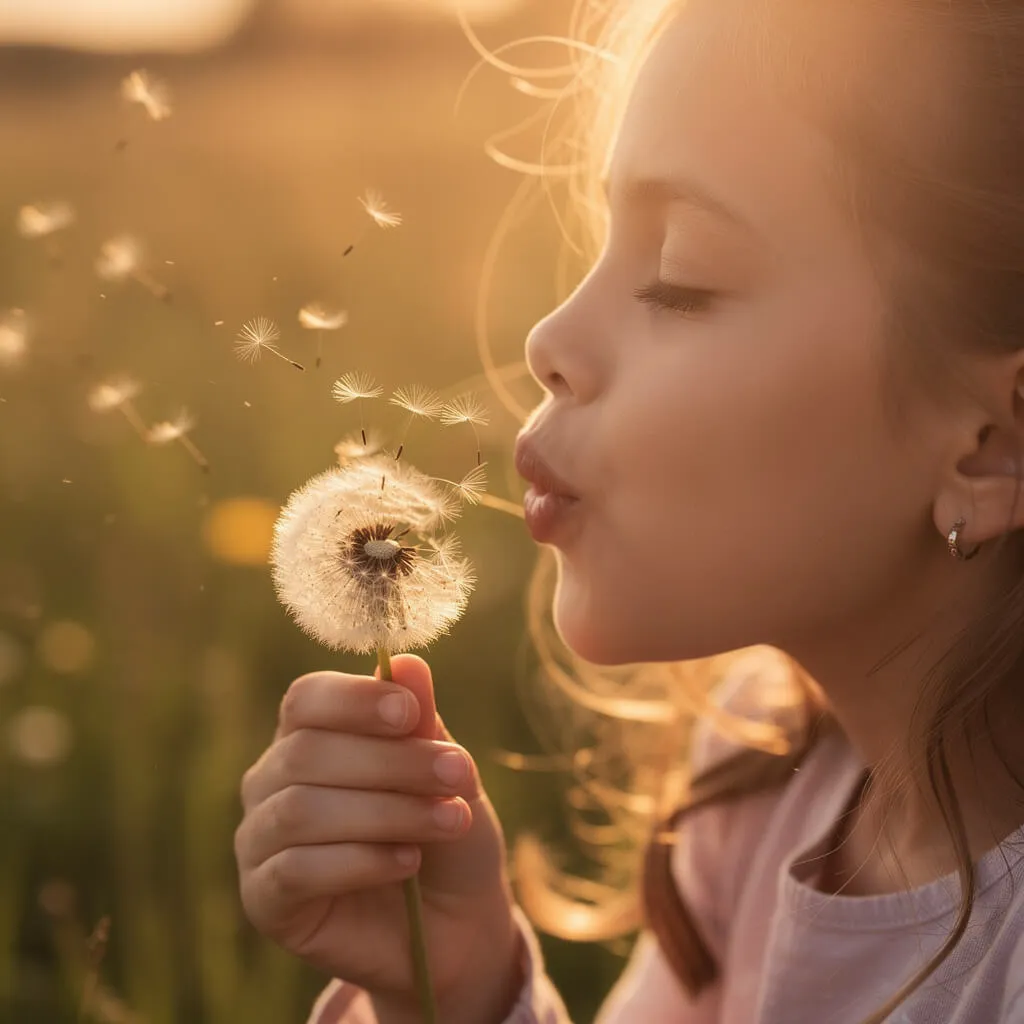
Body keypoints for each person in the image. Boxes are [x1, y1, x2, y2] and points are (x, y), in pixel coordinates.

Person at [233, 0, 1024, 1019]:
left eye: (680, 274)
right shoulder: (761, 778)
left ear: (992, 446)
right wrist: (460, 987)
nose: (547, 336)